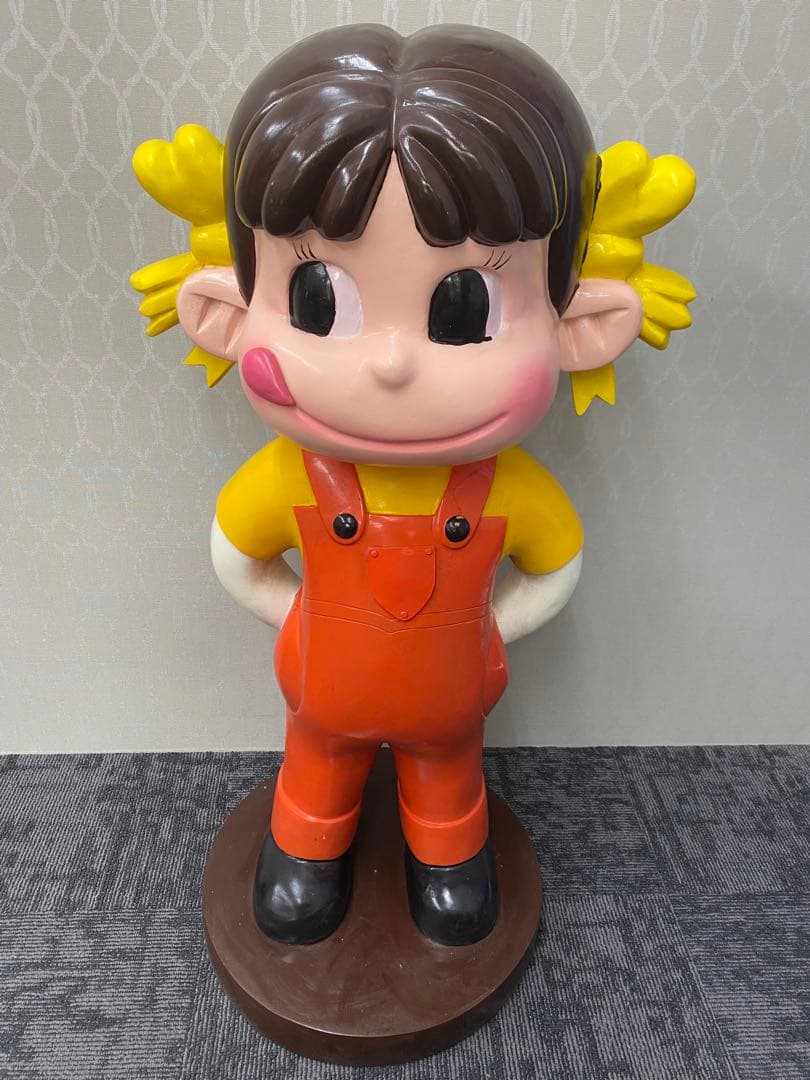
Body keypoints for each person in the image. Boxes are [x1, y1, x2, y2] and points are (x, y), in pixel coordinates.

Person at [132, 23, 696, 946]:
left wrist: (487, 630)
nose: (391, 364)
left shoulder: (508, 487)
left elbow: (556, 568)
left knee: (448, 777)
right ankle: (306, 848)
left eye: (464, 308)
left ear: (582, 325)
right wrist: (299, 617)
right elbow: (235, 557)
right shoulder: (288, 475)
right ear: (222, 311)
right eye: (318, 300)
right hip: (323, 700)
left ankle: (449, 855)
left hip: (451, 708)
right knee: (315, 770)